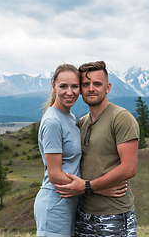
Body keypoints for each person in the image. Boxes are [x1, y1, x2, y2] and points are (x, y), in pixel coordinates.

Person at [34, 63, 126, 237]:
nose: (70, 92)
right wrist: (96, 188)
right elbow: (54, 175)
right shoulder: (53, 121)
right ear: (53, 86)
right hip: (55, 202)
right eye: (63, 86)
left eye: (75, 86)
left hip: (69, 202)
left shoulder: (69, 117)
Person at [55, 61, 140, 236]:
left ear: (107, 87)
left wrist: (88, 186)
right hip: (84, 215)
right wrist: (91, 188)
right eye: (86, 84)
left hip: (114, 215)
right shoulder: (81, 122)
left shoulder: (121, 118)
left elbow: (129, 168)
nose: (91, 88)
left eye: (97, 84)